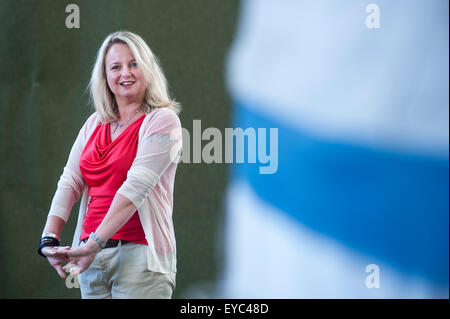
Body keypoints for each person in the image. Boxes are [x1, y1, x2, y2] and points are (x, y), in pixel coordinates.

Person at [37, 30, 182, 299]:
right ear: (105, 76)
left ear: (147, 69)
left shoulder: (163, 120)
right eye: (115, 67)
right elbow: (70, 181)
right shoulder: (93, 124)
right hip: (90, 260)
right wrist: (49, 238)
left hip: (140, 260)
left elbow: (135, 189)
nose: (125, 73)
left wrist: (94, 242)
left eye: (133, 64)